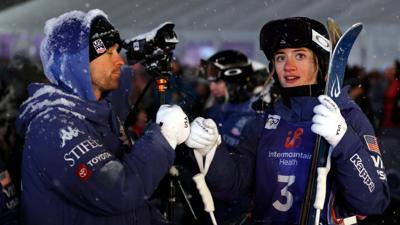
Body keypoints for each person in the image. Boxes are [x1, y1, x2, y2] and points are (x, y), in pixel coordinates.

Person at [185, 17, 390, 225]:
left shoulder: (348, 117)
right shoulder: (265, 121)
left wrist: (343, 139)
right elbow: (233, 186)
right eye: (280, 58)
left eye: (300, 55)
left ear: (319, 62)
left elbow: (373, 202)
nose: (288, 66)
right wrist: (211, 151)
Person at [16, 9, 190, 225]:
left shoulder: (98, 111)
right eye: (109, 53)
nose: (119, 61)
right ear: (76, 62)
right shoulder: (53, 125)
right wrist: (162, 137)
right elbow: (119, 190)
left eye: (117, 51)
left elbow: (132, 208)